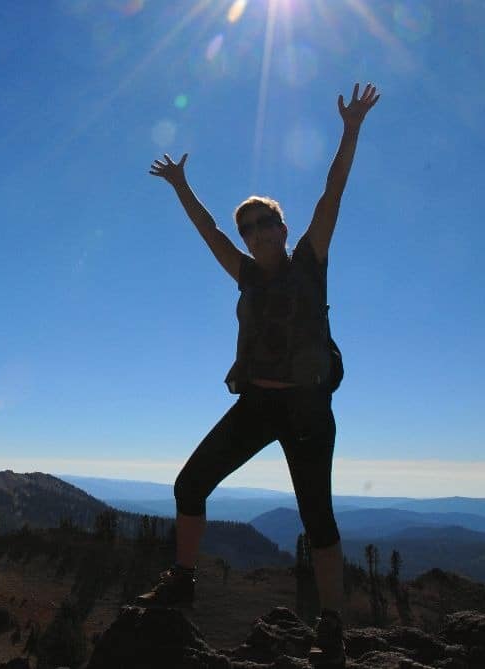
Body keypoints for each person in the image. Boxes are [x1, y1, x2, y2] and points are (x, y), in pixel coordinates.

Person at [136, 83, 380, 667]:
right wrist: (180, 186)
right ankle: (183, 580)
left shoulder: (310, 262)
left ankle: (332, 624)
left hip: (307, 412)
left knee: (317, 518)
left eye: (267, 224)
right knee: (190, 485)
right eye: (251, 228)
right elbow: (208, 233)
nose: (258, 234)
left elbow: (332, 192)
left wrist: (350, 130)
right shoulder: (245, 273)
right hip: (257, 405)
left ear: (283, 228)